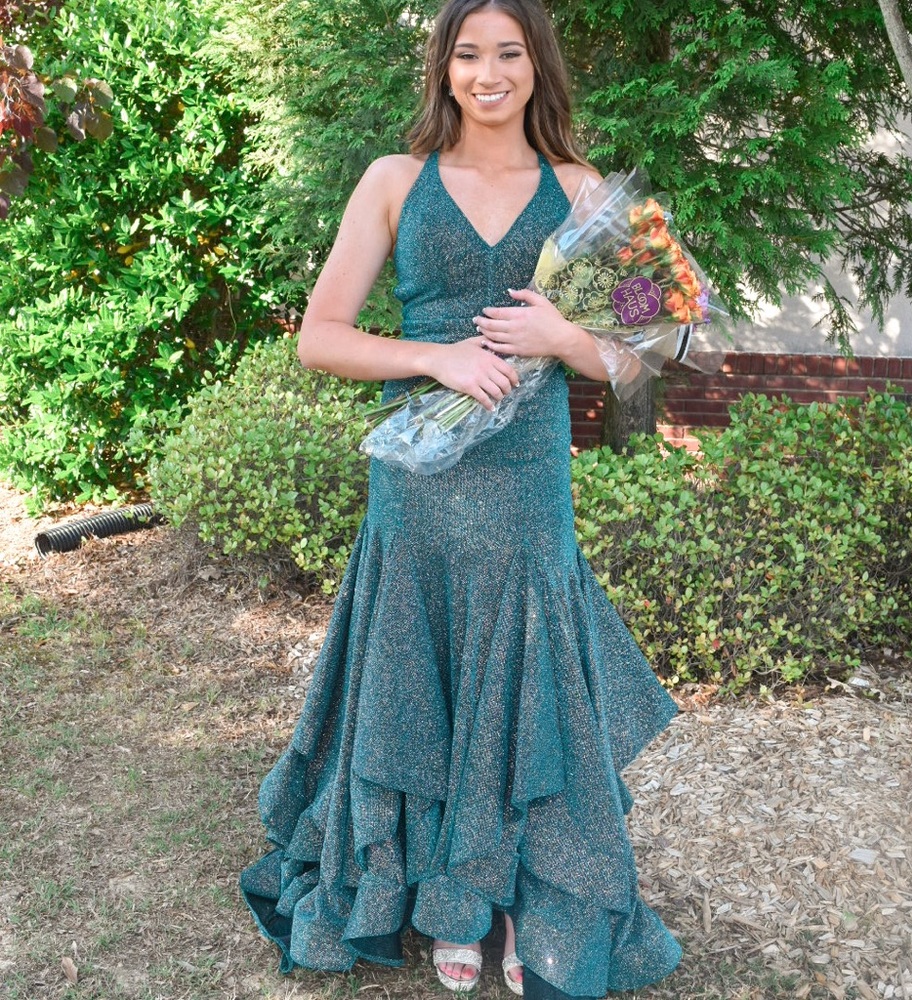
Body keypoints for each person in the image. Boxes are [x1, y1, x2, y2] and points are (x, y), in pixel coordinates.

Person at [239, 1, 683, 997]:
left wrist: (566, 341)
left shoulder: (584, 191)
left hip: (528, 486)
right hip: (420, 485)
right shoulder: (395, 181)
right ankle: (438, 890)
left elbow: (655, 347)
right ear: (443, 69)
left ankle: (526, 896)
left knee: (529, 689)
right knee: (416, 678)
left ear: (537, 68)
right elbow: (321, 335)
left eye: (509, 54)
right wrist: (433, 354)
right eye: (468, 54)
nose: (488, 74)